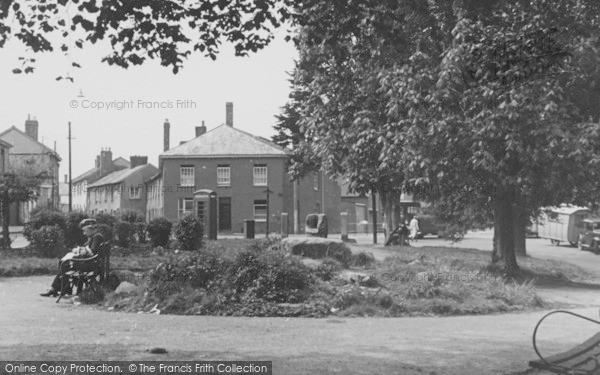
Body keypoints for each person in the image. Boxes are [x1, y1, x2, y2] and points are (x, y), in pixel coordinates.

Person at [40, 219, 105, 297]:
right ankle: (62, 288)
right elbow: (85, 248)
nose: (84, 233)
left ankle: (58, 289)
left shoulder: (97, 237)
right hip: (92, 263)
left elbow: (92, 252)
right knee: (63, 262)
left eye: (85, 230)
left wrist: (80, 251)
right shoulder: (94, 237)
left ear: (91, 229)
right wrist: (78, 250)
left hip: (91, 265)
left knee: (64, 264)